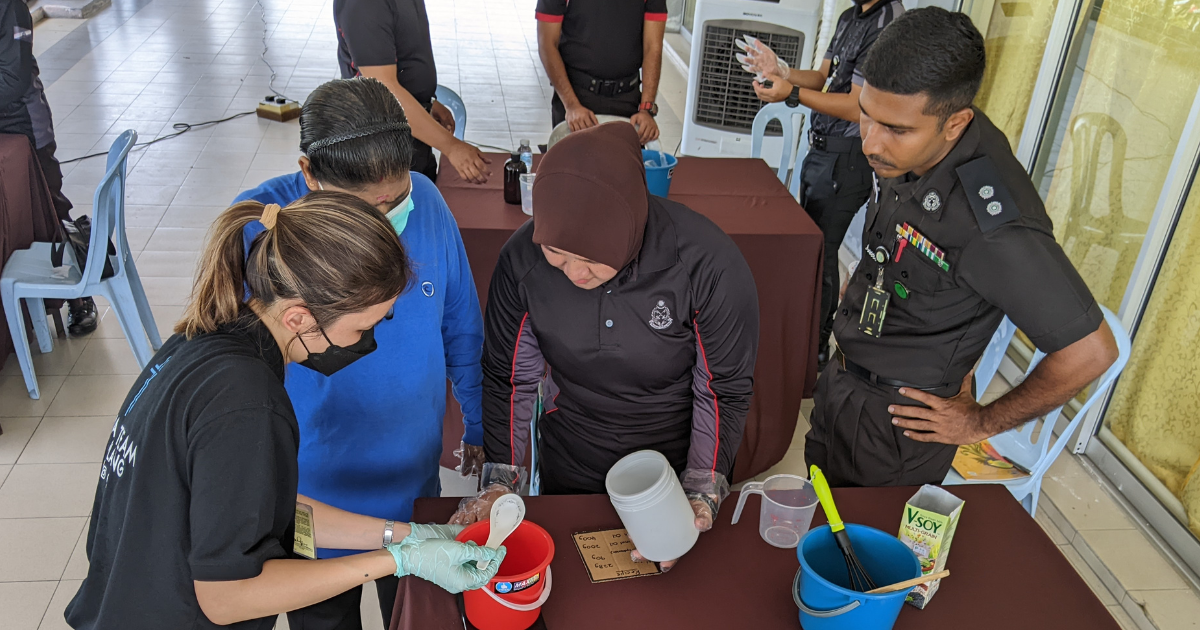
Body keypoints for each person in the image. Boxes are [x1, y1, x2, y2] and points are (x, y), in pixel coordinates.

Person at [64, 194, 504, 630]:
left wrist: (411, 535)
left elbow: (260, 505)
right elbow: (226, 596)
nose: (367, 343)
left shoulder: (204, 340)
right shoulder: (247, 404)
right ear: (298, 318)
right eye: (363, 328)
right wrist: (396, 561)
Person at [805, 8, 1120, 488]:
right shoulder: (909, 136)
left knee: (865, 558)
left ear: (956, 124)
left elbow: (1090, 352)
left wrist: (980, 424)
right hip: (843, 384)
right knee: (816, 525)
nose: (871, 142)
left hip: (897, 429)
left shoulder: (992, 223)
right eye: (867, 115)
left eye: (896, 129)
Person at [233, 77, 485, 630]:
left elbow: (462, 324)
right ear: (309, 177)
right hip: (311, 503)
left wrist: (478, 424)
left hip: (411, 486)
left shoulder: (431, 207)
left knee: (416, 614)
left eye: (396, 201)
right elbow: (236, 382)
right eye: (363, 210)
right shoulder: (260, 230)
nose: (388, 220)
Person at [451, 123, 760, 568]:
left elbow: (721, 389)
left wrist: (700, 491)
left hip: (669, 468)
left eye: (593, 259)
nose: (575, 274)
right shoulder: (523, 261)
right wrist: (502, 481)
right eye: (557, 253)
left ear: (631, 229)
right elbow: (509, 378)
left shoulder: (706, 265)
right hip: (571, 453)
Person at [741, 0, 904, 369]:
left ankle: (813, 351)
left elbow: (857, 106)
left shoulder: (889, 20)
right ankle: (801, 334)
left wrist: (791, 94)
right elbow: (823, 78)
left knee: (822, 252)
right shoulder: (850, 16)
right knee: (812, 245)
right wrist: (782, 71)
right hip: (821, 148)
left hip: (848, 156)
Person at [2, 0, 97, 334]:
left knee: (49, 209)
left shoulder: (10, 8)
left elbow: (13, 78)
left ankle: (80, 295)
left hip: (23, 123)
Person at [333, 0, 490, 183]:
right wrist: (451, 146)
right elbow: (383, 91)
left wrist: (426, 100)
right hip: (380, 145)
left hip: (410, 134)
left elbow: (405, 56)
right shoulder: (366, 4)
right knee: (397, 207)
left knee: (423, 198)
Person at [535, 0, 666, 144]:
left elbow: (652, 48)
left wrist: (646, 109)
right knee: (572, 164)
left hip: (627, 99)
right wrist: (571, 105)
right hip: (576, 95)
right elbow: (547, 45)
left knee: (623, 164)